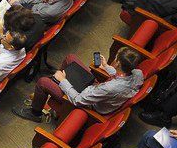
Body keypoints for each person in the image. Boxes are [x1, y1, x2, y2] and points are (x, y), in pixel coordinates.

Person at [14, 47, 143, 123]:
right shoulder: (137, 74)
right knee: (70, 58)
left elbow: (78, 100)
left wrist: (63, 81)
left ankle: (35, 113)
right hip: (97, 91)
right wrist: (106, 67)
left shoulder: (110, 88)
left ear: (118, 63)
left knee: (43, 82)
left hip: (87, 101)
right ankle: (54, 85)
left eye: (115, 58)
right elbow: (121, 77)